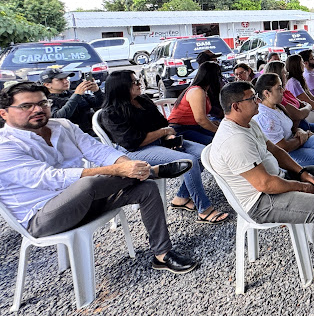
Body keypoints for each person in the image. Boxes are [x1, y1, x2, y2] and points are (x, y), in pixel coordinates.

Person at [0, 82, 198, 274]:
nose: (38, 109)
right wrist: (119, 170)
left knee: (146, 188)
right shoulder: (5, 146)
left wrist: (129, 166)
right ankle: (153, 171)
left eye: (43, 103)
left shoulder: (62, 126)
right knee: (87, 183)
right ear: (4, 113)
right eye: (26, 106)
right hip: (42, 217)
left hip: (84, 201)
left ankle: (162, 254)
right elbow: (50, 178)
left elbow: (98, 150)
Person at [208, 81, 314, 293]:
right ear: (236, 106)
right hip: (260, 201)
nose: (258, 101)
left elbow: (276, 151)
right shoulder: (234, 140)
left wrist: (302, 172)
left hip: (277, 179)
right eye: (252, 98)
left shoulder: (248, 123)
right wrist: (302, 187)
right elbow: (265, 184)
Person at [100, 70, 228, 224]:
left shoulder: (143, 100)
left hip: (160, 141)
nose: (139, 84)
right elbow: (134, 141)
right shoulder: (111, 113)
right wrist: (164, 132)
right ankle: (204, 209)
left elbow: (162, 122)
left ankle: (181, 197)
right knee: (190, 160)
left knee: (204, 154)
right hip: (136, 151)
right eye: (135, 82)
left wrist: (168, 136)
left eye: (138, 80)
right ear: (121, 86)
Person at [253, 73, 314, 167]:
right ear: (266, 93)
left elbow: (291, 128)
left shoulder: (276, 106)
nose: (283, 90)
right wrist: (302, 137)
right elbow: (282, 147)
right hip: (287, 155)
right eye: (279, 88)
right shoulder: (265, 117)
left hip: (296, 142)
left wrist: (299, 130)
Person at [265, 60, 314, 136]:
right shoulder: (280, 96)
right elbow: (301, 112)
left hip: (305, 123)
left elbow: (306, 101)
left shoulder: (286, 90)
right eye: (284, 74)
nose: (286, 75)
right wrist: (310, 107)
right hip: (302, 128)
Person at [167, 62, 222, 145]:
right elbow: (201, 120)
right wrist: (219, 131)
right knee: (216, 141)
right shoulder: (197, 91)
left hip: (193, 126)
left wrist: (211, 124)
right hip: (180, 129)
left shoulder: (202, 90)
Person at [40, 68, 103, 136]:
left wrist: (97, 91)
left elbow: (100, 103)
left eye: (66, 78)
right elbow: (58, 117)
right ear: (47, 85)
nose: (66, 81)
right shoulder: (46, 101)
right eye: (60, 79)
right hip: (73, 136)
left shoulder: (72, 93)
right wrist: (76, 95)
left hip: (94, 131)